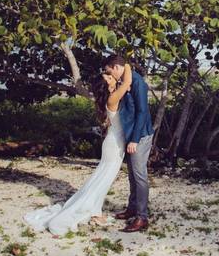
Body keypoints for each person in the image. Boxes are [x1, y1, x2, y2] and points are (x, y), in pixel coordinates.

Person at [22, 63, 133, 236]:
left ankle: (96, 211)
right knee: (103, 180)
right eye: (109, 77)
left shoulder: (111, 96)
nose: (112, 76)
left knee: (102, 179)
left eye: (111, 75)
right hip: (114, 145)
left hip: (113, 143)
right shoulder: (112, 99)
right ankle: (95, 212)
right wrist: (125, 63)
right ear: (108, 85)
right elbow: (126, 83)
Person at [104, 54, 154, 233]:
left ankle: (142, 217)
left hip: (140, 135)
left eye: (111, 72)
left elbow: (142, 112)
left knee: (140, 176)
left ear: (117, 68)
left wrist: (134, 139)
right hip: (130, 133)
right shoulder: (124, 80)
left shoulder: (138, 82)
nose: (112, 76)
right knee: (132, 174)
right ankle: (132, 208)